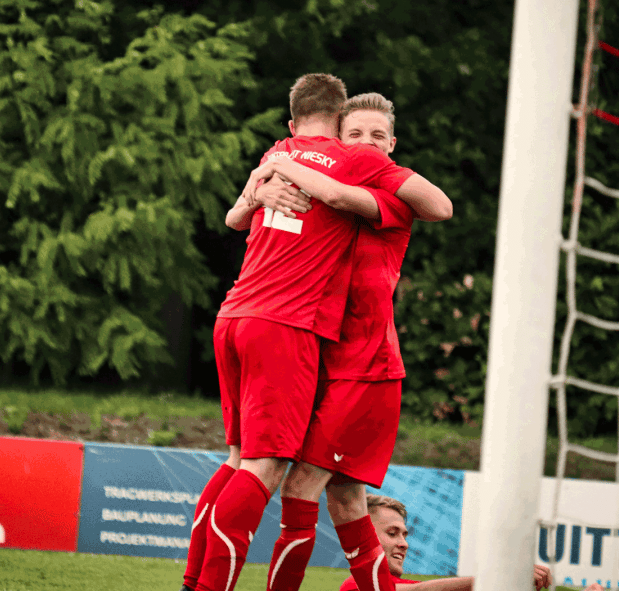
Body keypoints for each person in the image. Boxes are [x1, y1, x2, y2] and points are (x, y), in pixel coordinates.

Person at [181, 75, 448, 591]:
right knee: (327, 494)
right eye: (357, 133)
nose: (366, 144)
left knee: (294, 482)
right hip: (300, 342)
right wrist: (262, 188)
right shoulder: (308, 167)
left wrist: (278, 167)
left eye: (378, 136)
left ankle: (205, 584)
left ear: (391, 148)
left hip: (361, 367)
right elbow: (237, 215)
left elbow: (433, 205)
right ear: (337, 134)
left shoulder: (380, 196)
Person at [338, 495, 595, 591]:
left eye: (405, 535)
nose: (404, 543)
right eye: (393, 533)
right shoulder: (357, 586)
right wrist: (501, 577)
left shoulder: (405, 584)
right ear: (366, 538)